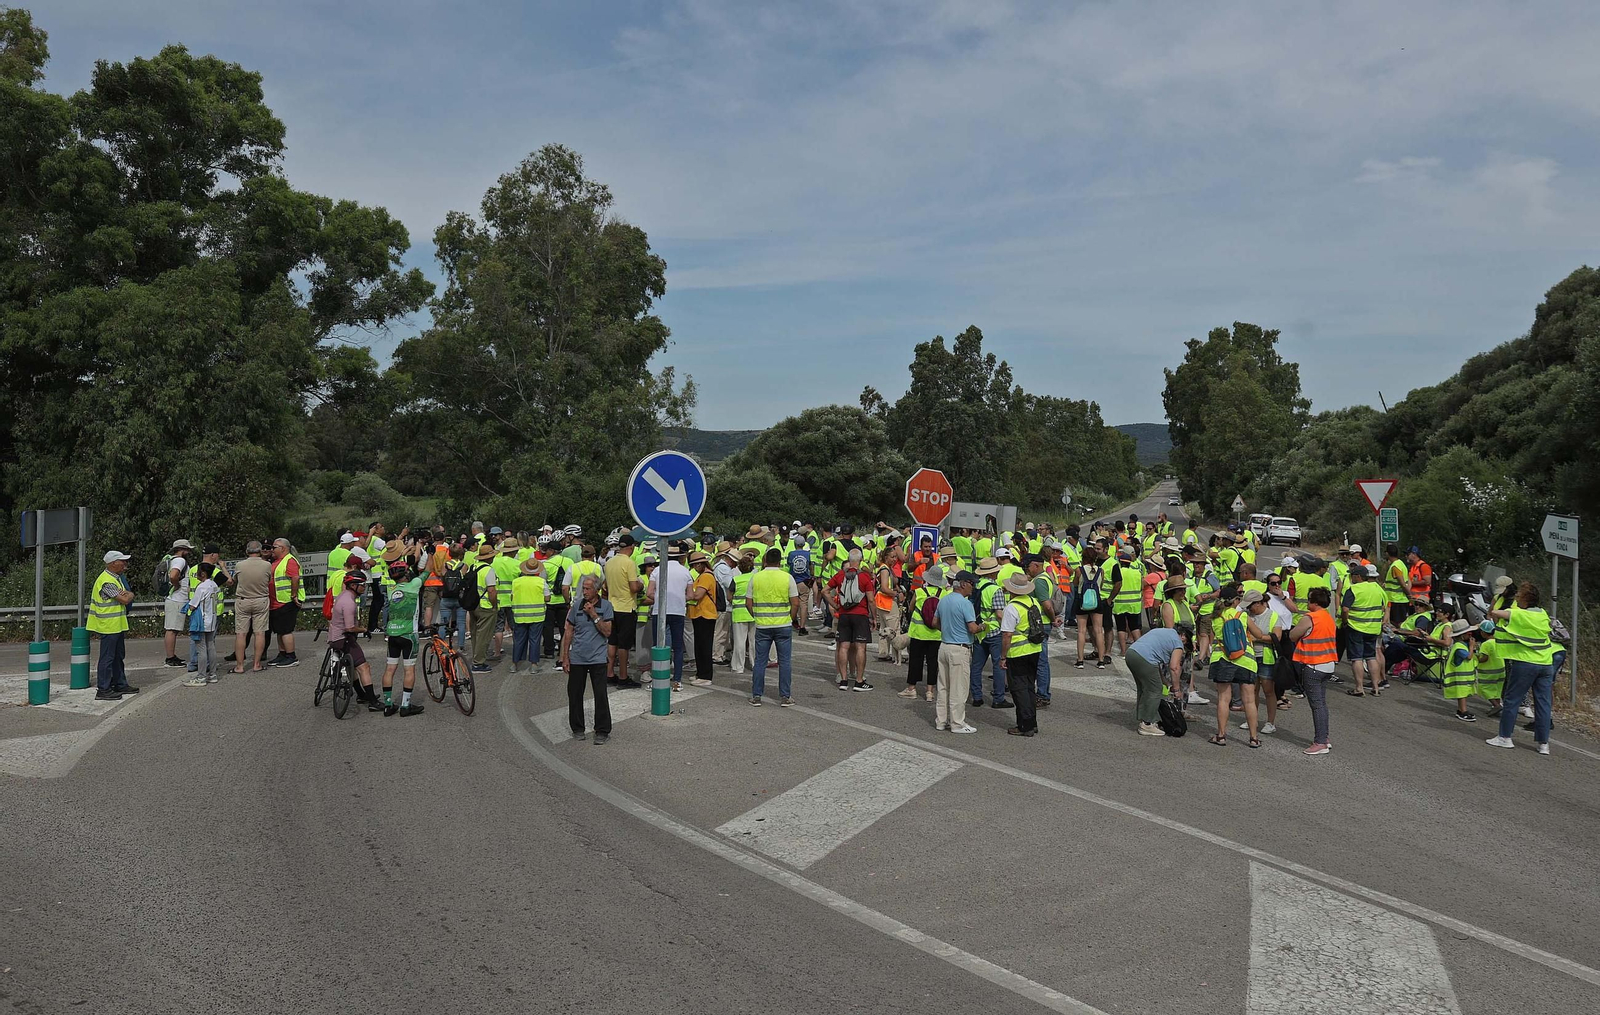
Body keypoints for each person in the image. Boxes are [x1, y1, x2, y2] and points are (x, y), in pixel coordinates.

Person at [1486, 581, 1556, 753]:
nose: (1515, 599)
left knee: (1512, 700)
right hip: (1546, 663)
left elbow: (1494, 613)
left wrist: (1497, 603)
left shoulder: (1519, 614)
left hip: (1525, 663)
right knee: (1543, 704)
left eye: (1518, 597)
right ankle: (1543, 744)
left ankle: (1504, 738)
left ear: (1525, 599)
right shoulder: (1543, 614)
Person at [562, 575, 615, 743]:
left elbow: (607, 632)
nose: (584, 592)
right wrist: (565, 657)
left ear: (597, 590)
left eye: (587, 588)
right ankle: (577, 728)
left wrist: (593, 614)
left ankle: (602, 731)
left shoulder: (606, 606)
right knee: (575, 694)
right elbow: (568, 631)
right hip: (577, 658)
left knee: (600, 695)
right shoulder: (576, 606)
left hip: (598, 659)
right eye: (583, 588)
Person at [1207, 586, 1262, 747]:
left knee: (1224, 699)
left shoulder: (1216, 617)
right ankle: (1253, 738)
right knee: (1249, 701)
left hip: (1222, 659)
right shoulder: (1242, 615)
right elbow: (1258, 634)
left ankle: (1221, 735)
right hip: (1245, 660)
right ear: (1235, 601)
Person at [748, 546, 802, 705]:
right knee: (785, 662)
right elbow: (795, 603)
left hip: (763, 625)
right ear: (780, 561)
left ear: (765, 560)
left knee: (760, 661)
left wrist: (757, 616)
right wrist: (790, 619)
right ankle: (785, 696)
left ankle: (757, 695)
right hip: (783, 624)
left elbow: (748, 602)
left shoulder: (756, 577)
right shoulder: (787, 577)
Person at [1288, 587, 1338, 756]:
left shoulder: (1310, 618)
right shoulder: (1328, 618)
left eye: (1309, 600)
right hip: (1328, 664)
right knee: (1322, 704)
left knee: (1317, 706)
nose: (1307, 603)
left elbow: (1292, 636)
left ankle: (1321, 742)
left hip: (1313, 666)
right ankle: (1324, 737)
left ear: (1315, 603)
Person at [328, 571, 383, 709]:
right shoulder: (349, 603)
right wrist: (365, 630)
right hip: (343, 638)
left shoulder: (344, 595)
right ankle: (372, 702)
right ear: (353, 585)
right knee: (364, 667)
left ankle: (361, 695)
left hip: (335, 636)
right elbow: (350, 628)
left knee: (352, 665)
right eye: (362, 585)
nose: (365, 587)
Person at [934, 570, 980, 733]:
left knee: (943, 686)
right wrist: (982, 627)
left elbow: (935, 622)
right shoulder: (966, 603)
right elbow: (972, 628)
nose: (973, 588)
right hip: (960, 648)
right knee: (958, 688)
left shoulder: (943, 600)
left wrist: (948, 630)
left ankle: (941, 720)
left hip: (944, 645)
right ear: (963, 584)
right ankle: (957, 723)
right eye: (972, 584)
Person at [998, 572, 1043, 737]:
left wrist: (1003, 656)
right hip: (1034, 649)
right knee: (1030, 687)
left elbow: (1007, 635)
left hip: (1018, 652)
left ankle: (1025, 726)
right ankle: (1032, 722)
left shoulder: (1012, 607)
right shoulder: (1033, 602)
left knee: (1019, 689)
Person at [380, 560, 426, 716]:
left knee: (390, 669)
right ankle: (405, 706)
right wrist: (431, 553)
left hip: (392, 634)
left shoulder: (390, 588)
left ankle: (387, 705)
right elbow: (429, 570)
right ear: (406, 574)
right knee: (409, 669)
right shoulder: (414, 585)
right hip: (409, 635)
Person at [88, 550, 137, 700]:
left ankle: (119, 684)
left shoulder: (115, 578)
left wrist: (127, 594)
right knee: (107, 658)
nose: (125, 564)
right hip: (108, 625)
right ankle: (103, 689)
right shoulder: (106, 581)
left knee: (117, 656)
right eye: (122, 561)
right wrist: (129, 594)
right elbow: (125, 599)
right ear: (113, 563)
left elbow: (125, 595)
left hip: (116, 624)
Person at [826, 547, 875, 690]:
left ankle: (843, 680)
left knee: (843, 646)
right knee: (860, 647)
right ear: (860, 560)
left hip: (844, 614)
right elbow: (871, 600)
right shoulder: (865, 576)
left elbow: (825, 590)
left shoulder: (841, 575)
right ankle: (859, 681)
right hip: (860, 615)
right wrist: (873, 617)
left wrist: (835, 605)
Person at [1125, 624, 1186, 737]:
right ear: (1182, 635)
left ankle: (1144, 718)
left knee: (1144, 688)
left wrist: (1164, 680)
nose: (1184, 644)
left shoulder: (1163, 631)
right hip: (1144, 658)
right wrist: (1176, 689)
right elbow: (1174, 667)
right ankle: (1147, 724)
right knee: (1155, 690)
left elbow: (1155, 660)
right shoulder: (1178, 642)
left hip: (1131, 653)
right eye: (1186, 640)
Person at [646, 546, 691, 688]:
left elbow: (649, 592)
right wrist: (679, 598)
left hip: (660, 611)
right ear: (679, 556)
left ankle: (658, 678)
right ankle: (677, 680)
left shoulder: (657, 571)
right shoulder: (686, 572)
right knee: (678, 648)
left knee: (659, 645)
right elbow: (690, 595)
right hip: (678, 611)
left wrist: (660, 597)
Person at [969, 557, 1010, 707]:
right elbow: (999, 614)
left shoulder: (976, 586)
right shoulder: (995, 589)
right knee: (999, 665)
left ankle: (977, 697)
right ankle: (998, 698)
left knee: (976, 666)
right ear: (993, 574)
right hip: (994, 631)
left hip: (979, 631)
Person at [901, 564, 945, 701]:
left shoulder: (919, 592)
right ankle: (930, 692)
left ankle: (911, 689)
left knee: (915, 660)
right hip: (936, 633)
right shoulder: (944, 594)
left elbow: (911, 608)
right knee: (932, 663)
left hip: (918, 632)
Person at [604, 534, 643, 684]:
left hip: (611, 606)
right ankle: (623, 676)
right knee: (624, 644)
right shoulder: (629, 563)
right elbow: (634, 587)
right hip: (626, 607)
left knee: (612, 641)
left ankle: (609, 673)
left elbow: (606, 587)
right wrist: (641, 585)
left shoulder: (609, 562)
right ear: (632, 547)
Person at [1342, 563, 1385, 696]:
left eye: (1352, 575)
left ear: (1358, 577)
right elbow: (1384, 607)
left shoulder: (1353, 589)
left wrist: (1345, 621)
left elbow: (1345, 609)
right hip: (1373, 628)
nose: (1351, 578)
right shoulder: (1377, 588)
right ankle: (1376, 687)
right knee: (1371, 657)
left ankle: (1359, 688)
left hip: (1356, 627)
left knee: (1357, 658)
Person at [231, 540, 273, 673]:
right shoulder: (267, 565)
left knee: (241, 634)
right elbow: (269, 580)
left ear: (247, 551)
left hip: (243, 600)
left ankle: (239, 666)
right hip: (260, 599)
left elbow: (235, 580)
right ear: (260, 551)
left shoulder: (239, 565)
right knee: (260, 633)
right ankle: (257, 664)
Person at [182, 562, 223, 686]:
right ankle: (213, 674)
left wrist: (186, 608)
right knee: (211, 646)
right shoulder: (214, 585)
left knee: (201, 649)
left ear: (203, 573)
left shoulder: (202, 587)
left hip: (202, 621)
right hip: (212, 618)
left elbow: (193, 605)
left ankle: (201, 677)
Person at [268, 537, 304, 667]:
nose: (272, 550)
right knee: (279, 630)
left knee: (286, 630)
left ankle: (291, 656)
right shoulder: (278, 561)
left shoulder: (289, 560)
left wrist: (293, 595)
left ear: (282, 548)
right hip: (276, 601)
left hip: (286, 600)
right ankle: (282, 654)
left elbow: (295, 578)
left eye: (274, 547)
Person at [509, 555, 548, 673]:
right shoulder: (541, 582)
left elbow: (512, 596)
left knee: (519, 640)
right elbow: (547, 598)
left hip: (520, 615)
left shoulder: (516, 582)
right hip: (537, 616)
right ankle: (534, 665)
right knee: (535, 640)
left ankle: (514, 664)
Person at [686, 550, 719, 689]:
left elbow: (698, 595)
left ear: (700, 564)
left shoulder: (706, 576)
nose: (694, 568)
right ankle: (700, 673)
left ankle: (706, 676)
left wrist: (687, 594)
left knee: (704, 646)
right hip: (699, 614)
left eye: (695, 565)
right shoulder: (703, 576)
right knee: (699, 645)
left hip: (705, 614)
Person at [467, 542, 500, 673]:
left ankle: (476, 657)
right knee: (484, 636)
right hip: (485, 606)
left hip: (473, 604)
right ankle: (478, 663)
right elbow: (491, 591)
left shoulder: (473, 567)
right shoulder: (488, 570)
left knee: (475, 634)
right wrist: (494, 605)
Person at [162, 539, 195, 666]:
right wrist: (176, 586)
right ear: (183, 550)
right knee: (172, 629)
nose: (189, 552)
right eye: (187, 549)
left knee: (173, 629)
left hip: (174, 599)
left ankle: (171, 656)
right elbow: (173, 575)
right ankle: (170, 658)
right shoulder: (180, 561)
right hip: (177, 599)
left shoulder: (171, 559)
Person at [1440, 618, 1478, 722]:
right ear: (1462, 635)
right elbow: (1469, 657)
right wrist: (1471, 647)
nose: (1470, 635)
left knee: (1463, 694)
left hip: (1464, 677)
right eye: (1468, 633)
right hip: (1460, 677)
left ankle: (1461, 710)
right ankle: (1463, 711)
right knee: (1461, 695)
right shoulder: (1458, 647)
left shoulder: (1462, 645)